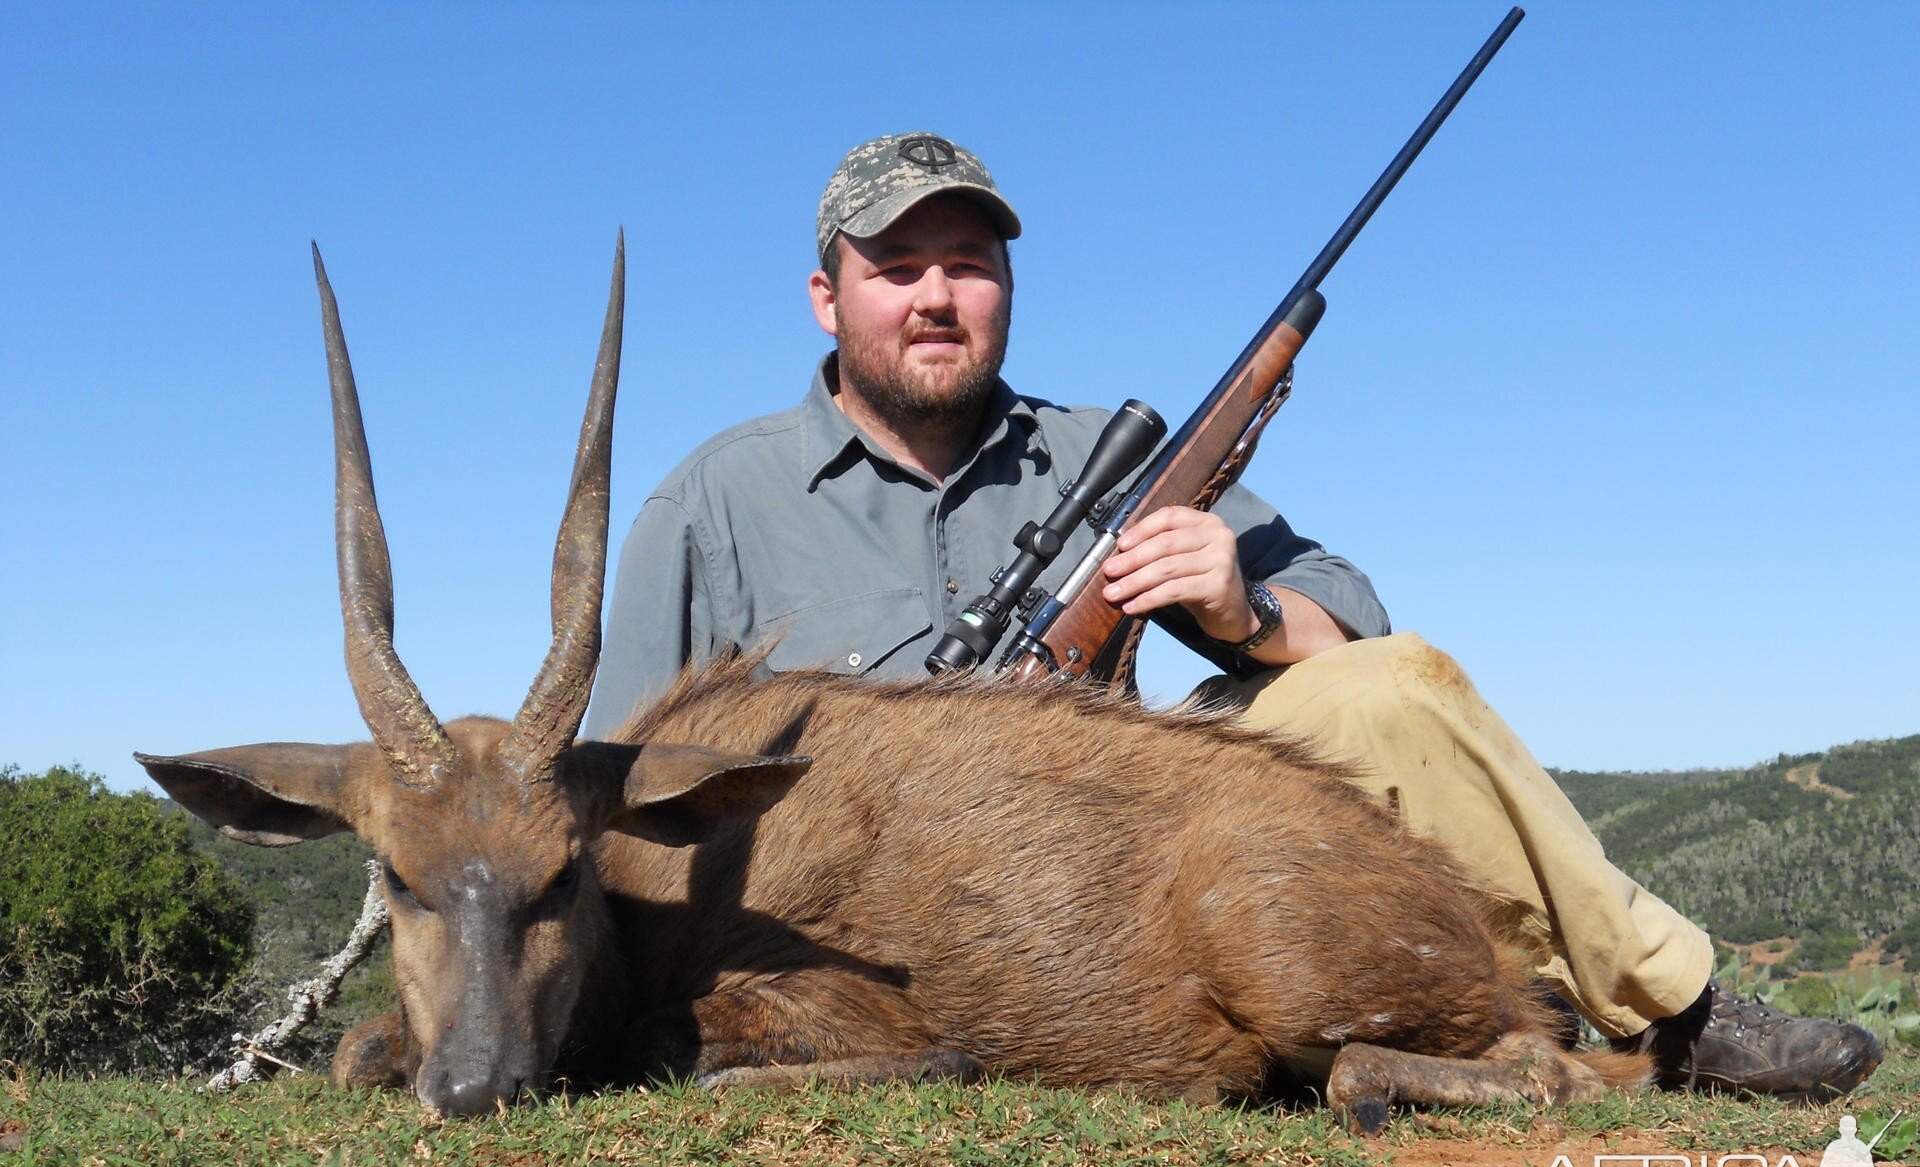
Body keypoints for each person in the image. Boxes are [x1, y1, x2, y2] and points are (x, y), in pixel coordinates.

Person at [585, 131, 1882, 1100]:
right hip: (858, 937)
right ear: (827, 297)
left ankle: (1684, 1005)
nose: (936, 296)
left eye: (968, 265)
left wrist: (1243, 600)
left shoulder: (1104, 455)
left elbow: (1361, 634)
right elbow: (601, 798)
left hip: (1105, 862)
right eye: (897, 267)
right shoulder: (711, 503)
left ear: (1008, 289)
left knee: (1394, 684)